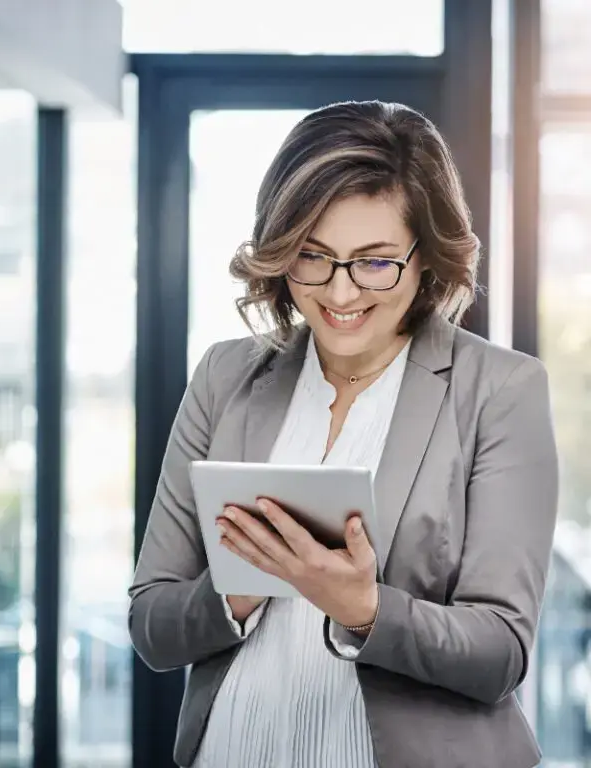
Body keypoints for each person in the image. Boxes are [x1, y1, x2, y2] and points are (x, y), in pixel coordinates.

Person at [127, 100, 559, 768]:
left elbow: (500, 653)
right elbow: (151, 625)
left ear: (426, 256)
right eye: (313, 256)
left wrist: (365, 609)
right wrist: (234, 595)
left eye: (375, 262)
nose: (341, 292)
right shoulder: (224, 377)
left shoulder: (501, 391)